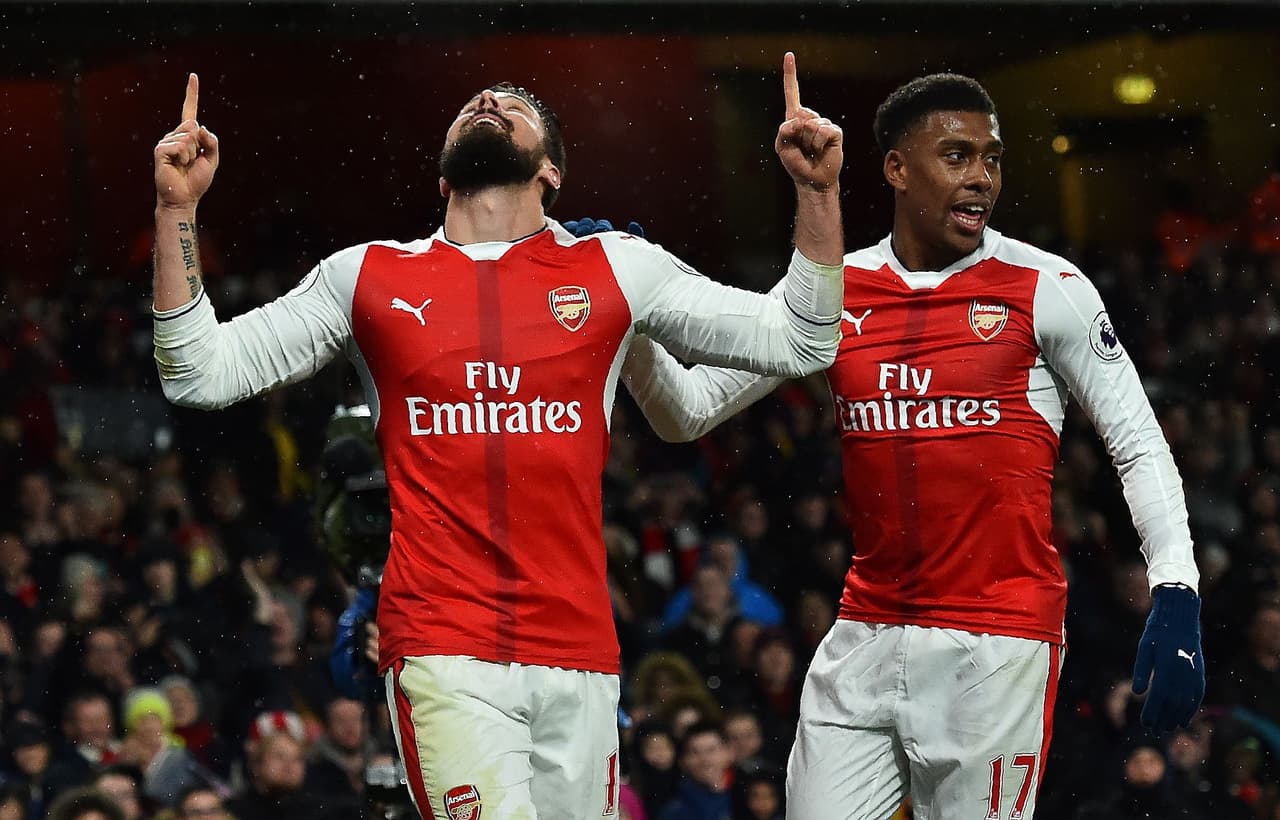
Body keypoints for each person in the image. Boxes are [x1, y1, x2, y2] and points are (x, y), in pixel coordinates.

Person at [149, 54, 845, 818]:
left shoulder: (618, 267)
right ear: (442, 179)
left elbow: (798, 339)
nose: (488, 99)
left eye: (513, 103)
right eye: (477, 101)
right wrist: (176, 213)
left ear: (550, 171)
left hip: (581, 653)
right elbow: (198, 373)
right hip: (444, 647)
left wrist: (817, 193)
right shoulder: (365, 277)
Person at [623, 73, 1204, 819]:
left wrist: (1177, 587)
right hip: (865, 630)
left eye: (991, 158)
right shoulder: (839, 289)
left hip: (994, 643)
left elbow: (1138, 443)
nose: (981, 178)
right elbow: (687, 412)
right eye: (957, 156)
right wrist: (633, 313)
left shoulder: (1047, 286)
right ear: (897, 169)